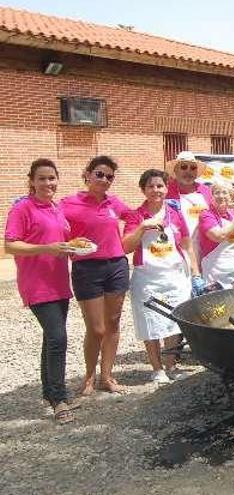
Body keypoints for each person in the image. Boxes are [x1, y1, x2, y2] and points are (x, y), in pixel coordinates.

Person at [4, 159, 79, 423]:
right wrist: (47, 248)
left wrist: (72, 247)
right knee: (59, 338)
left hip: (59, 282)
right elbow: (11, 245)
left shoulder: (56, 208)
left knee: (51, 339)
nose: (48, 183)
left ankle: (49, 392)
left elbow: (60, 241)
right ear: (32, 181)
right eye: (42, 178)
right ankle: (59, 400)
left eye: (52, 178)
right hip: (37, 284)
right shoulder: (22, 208)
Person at [60, 155, 132, 395]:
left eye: (109, 176)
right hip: (87, 268)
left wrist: (131, 236)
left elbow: (134, 217)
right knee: (96, 327)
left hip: (117, 266)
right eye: (99, 174)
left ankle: (107, 377)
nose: (104, 180)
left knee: (113, 323)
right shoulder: (68, 203)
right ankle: (88, 377)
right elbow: (54, 227)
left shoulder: (114, 203)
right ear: (88, 174)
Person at [122, 169, 199, 383]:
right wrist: (142, 227)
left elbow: (187, 245)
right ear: (143, 189)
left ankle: (171, 365)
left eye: (160, 186)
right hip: (148, 279)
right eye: (151, 186)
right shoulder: (136, 215)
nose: (156, 190)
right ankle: (157, 369)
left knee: (173, 322)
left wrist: (195, 272)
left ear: (166, 188)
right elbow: (126, 246)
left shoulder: (175, 214)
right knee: (150, 322)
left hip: (175, 277)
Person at [197, 180, 234, 287]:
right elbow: (218, 236)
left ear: (230, 196)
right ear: (211, 197)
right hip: (217, 272)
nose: (221, 196)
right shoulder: (206, 215)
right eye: (217, 192)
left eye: (225, 192)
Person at [165, 151, 213, 257]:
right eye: (183, 167)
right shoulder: (165, 192)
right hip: (176, 255)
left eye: (193, 168)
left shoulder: (206, 191)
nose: (188, 171)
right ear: (175, 170)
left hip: (206, 254)